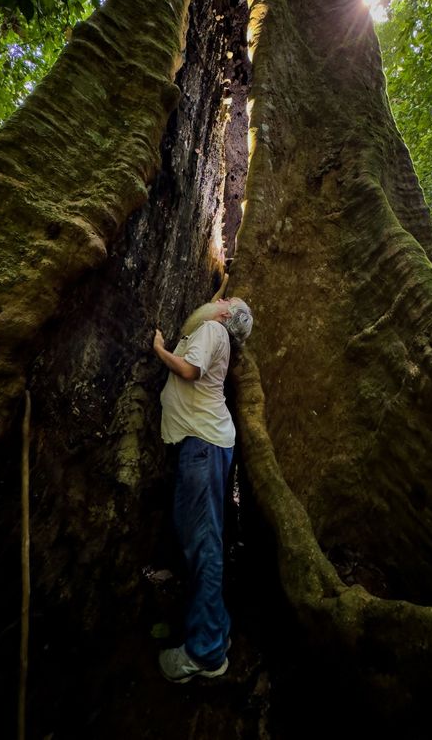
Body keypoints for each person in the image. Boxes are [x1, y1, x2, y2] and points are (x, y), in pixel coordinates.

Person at [152, 280, 253, 683]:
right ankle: (217, 632)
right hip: (204, 445)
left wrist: (159, 349)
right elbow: (214, 306)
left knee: (203, 543)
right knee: (201, 538)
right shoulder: (217, 330)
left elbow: (190, 371)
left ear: (224, 316)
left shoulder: (211, 331)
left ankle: (205, 652)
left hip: (204, 446)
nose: (217, 302)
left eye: (223, 302)